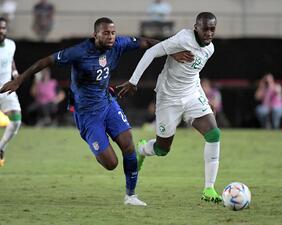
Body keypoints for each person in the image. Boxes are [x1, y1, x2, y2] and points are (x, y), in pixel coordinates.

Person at [0, 17, 193, 205]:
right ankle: (97, 145)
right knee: (111, 163)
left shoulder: (118, 43)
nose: (111, 37)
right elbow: (46, 61)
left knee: (128, 144)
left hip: (107, 104)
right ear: (95, 35)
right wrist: (19, 79)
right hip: (86, 114)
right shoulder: (79, 52)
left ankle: (131, 196)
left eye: (113, 33)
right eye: (106, 33)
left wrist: (171, 51)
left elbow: (147, 42)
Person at [118, 12, 222, 203]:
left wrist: (204, 98)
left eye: (212, 29)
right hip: (168, 98)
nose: (208, 33)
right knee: (162, 149)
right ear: (196, 27)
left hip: (192, 95)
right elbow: (151, 52)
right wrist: (133, 81)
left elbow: (194, 73)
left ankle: (209, 189)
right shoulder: (183, 38)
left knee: (214, 134)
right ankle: (142, 150)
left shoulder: (210, 49)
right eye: (205, 28)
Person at [0, 17, 22, 167]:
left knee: (16, 120)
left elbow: (10, 59)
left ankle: (1, 147)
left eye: (3, 28)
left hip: (6, 88)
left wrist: (15, 74)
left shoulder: (11, 44)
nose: (1, 31)